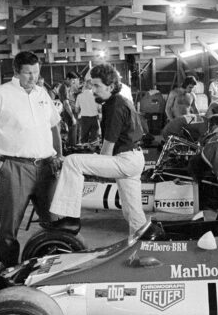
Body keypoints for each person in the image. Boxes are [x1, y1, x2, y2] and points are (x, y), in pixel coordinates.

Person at [0, 51, 63, 267]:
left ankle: (51, 268)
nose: (33, 77)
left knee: (54, 222)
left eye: (36, 72)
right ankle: (6, 271)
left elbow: (54, 125)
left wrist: (59, 155)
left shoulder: (42, 94)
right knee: (10, 227)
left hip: (47, 167)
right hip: (15, 168)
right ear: (16, 72)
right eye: (28, 73)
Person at [43, 64, 146, 238]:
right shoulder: (118, 101)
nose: (92, 90)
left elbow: (106, 152)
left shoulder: (114, 106)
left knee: (73, 161)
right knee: (132, 213)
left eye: (97, 86)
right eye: (91, 85)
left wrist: (89, 167)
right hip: (134, 157)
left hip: (125, 160)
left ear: (111, 87)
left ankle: (71, 219)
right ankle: (145, 244)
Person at [55, 72, 80, 147]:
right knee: (72, 131)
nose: (73, 82)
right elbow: (66, 103)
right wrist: (72, 117)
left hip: (71, 111)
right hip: (69, 112)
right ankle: (72, 149)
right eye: (72, 80)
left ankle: (72, 147)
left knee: (74, 131)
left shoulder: (67, 87)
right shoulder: (64, 87)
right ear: (68, 79)